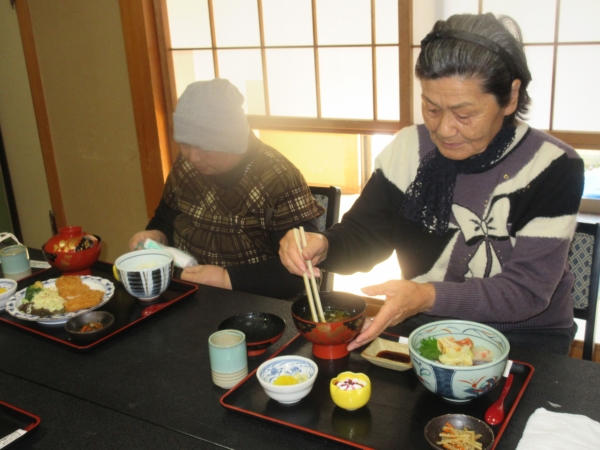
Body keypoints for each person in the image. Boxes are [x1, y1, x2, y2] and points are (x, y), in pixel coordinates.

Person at [279, 13, 584, 355]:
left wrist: (426, 296)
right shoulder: (408, 149)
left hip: (525, 337)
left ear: (511, 97)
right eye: (431, 108)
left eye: (464, 114)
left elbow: (527, 292)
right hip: (426, 324)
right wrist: (324, 245)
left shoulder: (553, 166)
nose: (443, 129)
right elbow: (366, 234)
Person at [130, 78, 324, 299]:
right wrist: (156, 236)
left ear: (233, 141)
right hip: (187, 290)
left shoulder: (279, 178)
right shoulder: (186, 165)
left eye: (204, 148)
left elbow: (300, 271)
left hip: (255, 300)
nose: (192, 157)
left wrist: (227, 278)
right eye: (184, 145)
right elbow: (166, 217)